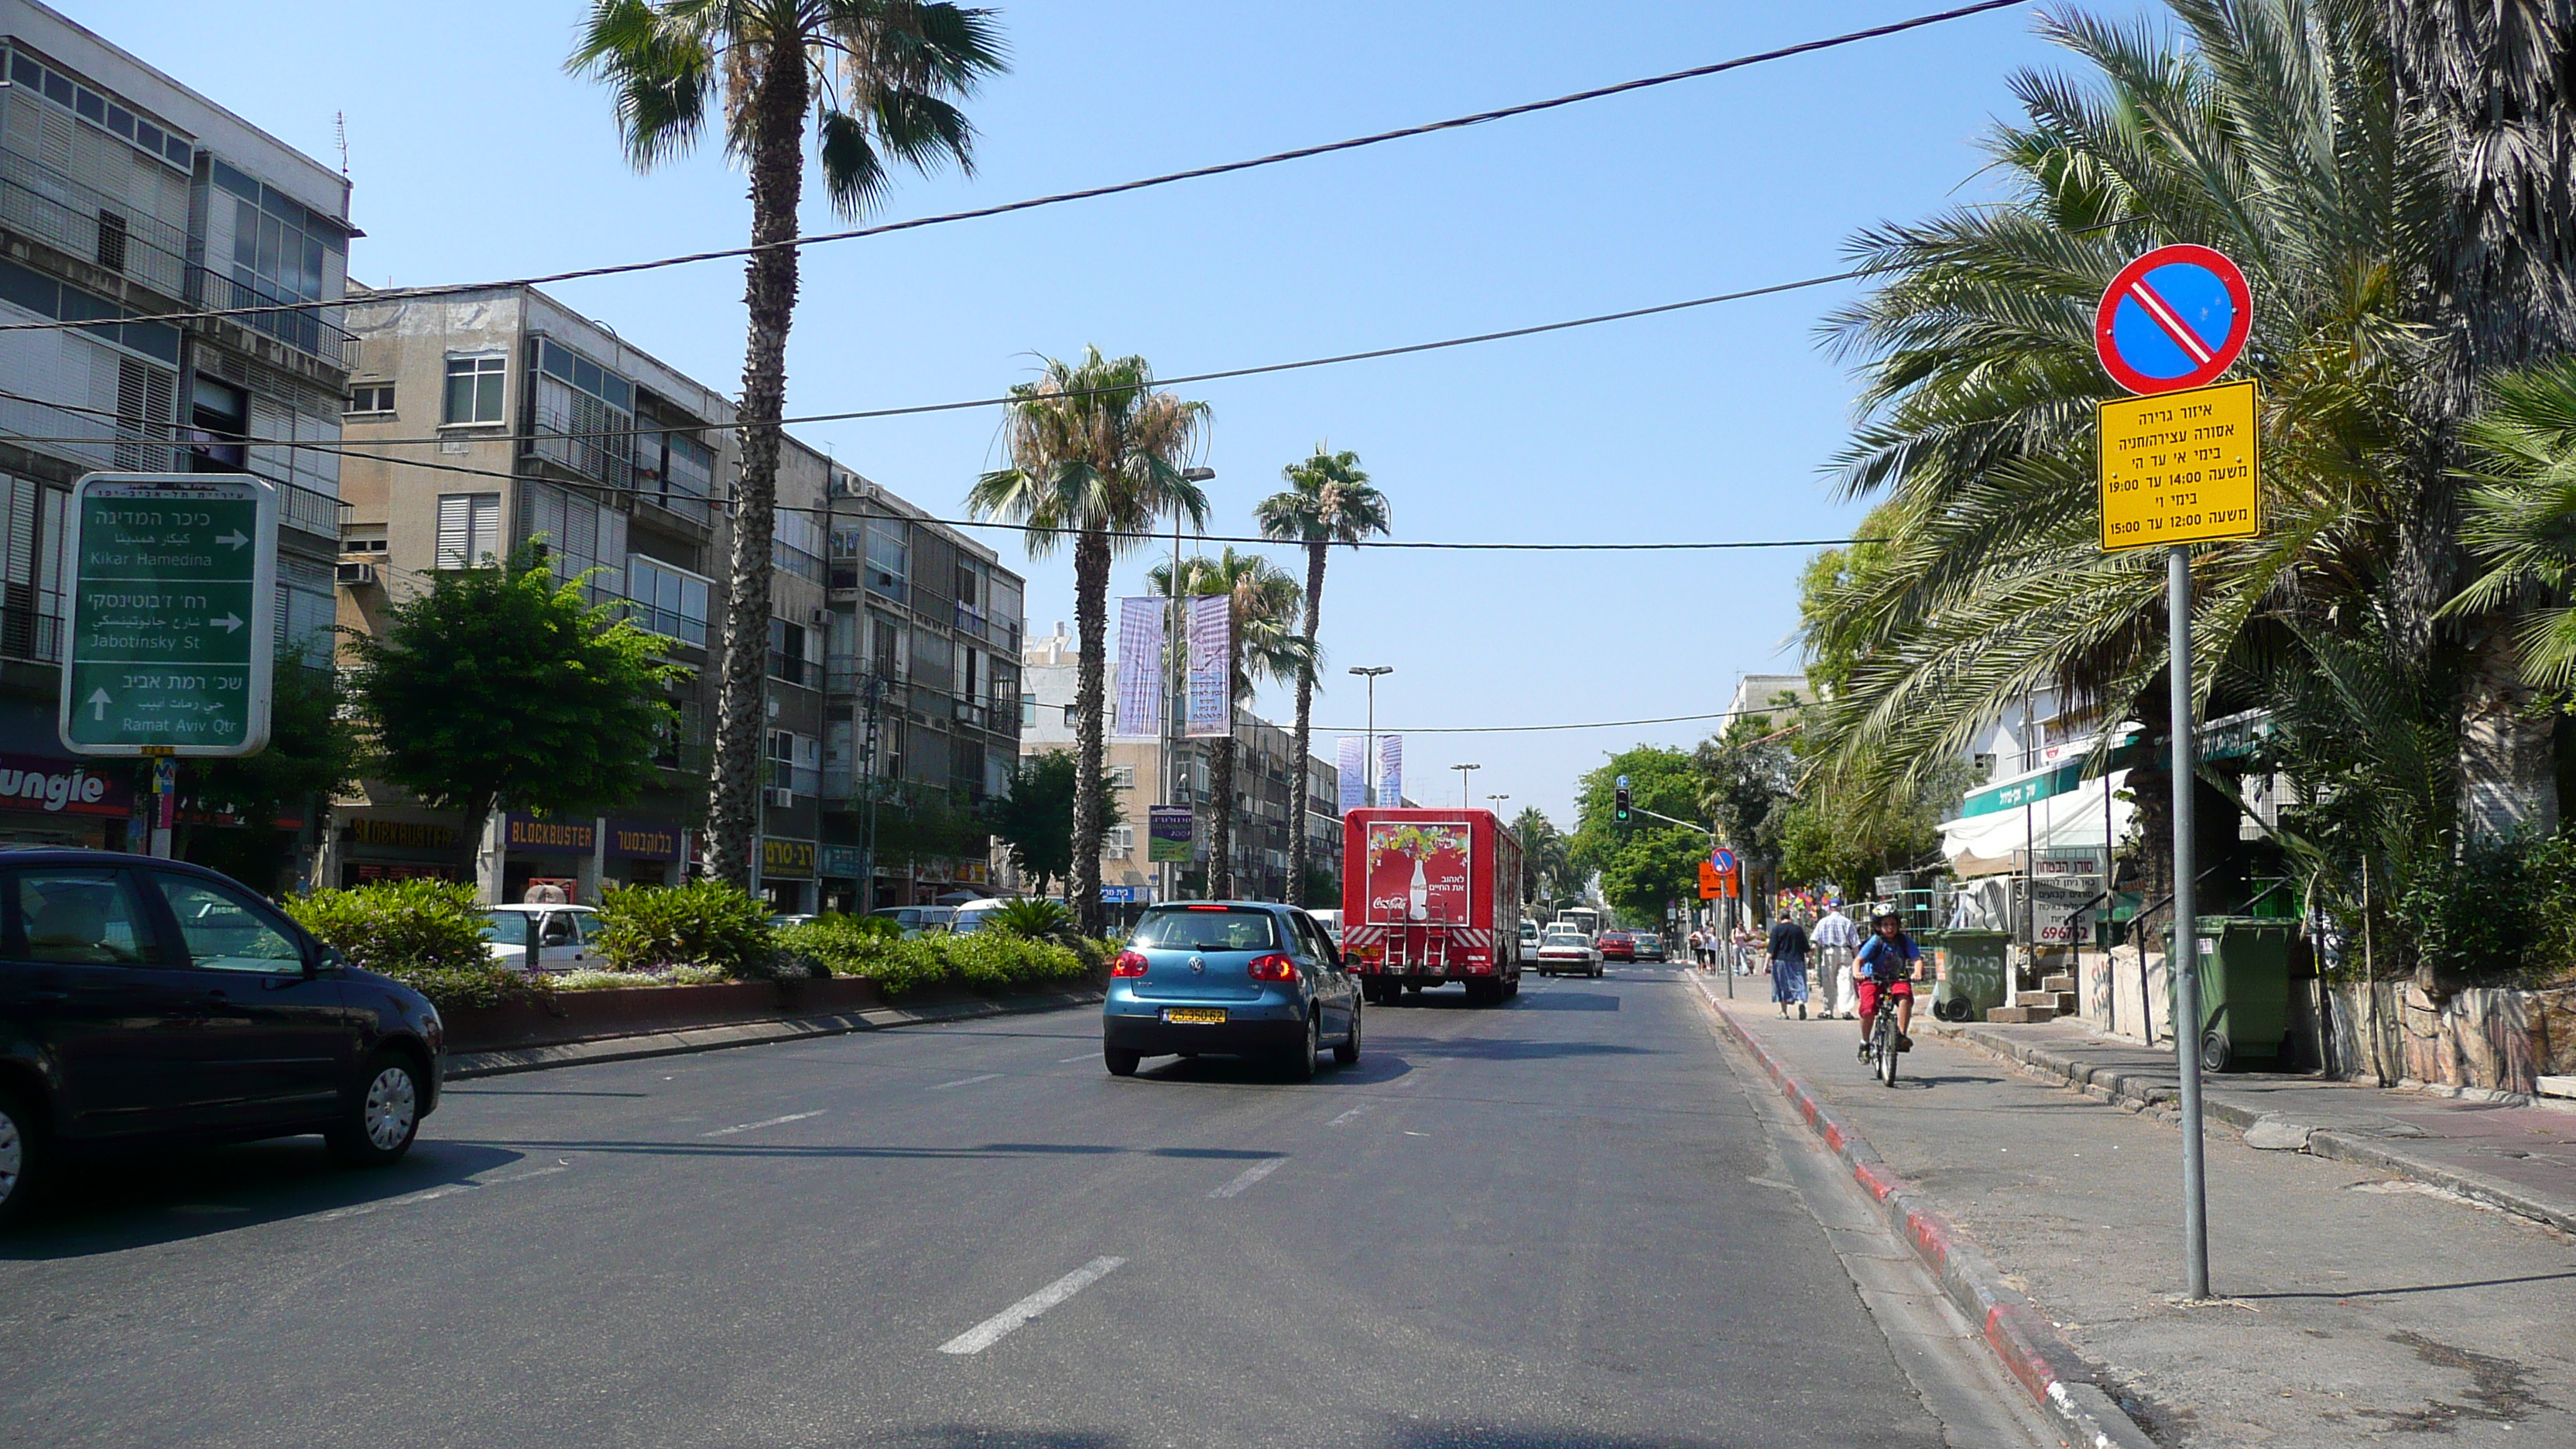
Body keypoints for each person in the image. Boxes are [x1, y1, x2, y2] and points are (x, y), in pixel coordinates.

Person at [1853, 911, 1923, 1059]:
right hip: (1873, 977)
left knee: (1905, 997)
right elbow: (1858, 960)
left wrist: (1917, 972)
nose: (1890, 928)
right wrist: (1857, 973)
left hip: (1896, 977)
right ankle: (1865, 1042)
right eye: (1885, 925)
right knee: (1868, 1007)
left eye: (1893, 924)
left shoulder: (1904, 941)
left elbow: (1917, 959)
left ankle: (1901, 1036)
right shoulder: (1876, 941)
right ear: (1878, 927)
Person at [1810, 903, 1861, 1019]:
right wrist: (1858, 960)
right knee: (1846, 981)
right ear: (1840, 908)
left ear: (1830, 909)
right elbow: (1855, 943)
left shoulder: (1823, 922)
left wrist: (1811, 956)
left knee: (1828, 981)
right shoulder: (1847, 922)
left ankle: (1828, 1010)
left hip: (1829, 952)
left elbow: (1816, 942)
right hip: (1844, 951)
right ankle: (1846, 1011)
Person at [1766, 911, 1811, 1019]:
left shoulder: (1777, 929)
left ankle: (1784, 1012)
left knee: (1782, 985)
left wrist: (1766, 964)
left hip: (1781, 960)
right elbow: (1806, 947)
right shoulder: (1798, 929)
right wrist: (1811, 959)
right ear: (1790, 917)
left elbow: (1771, 949)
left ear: (1779, 917)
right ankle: (1801, 1001)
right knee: (1799, 981)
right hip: (1798, 960)